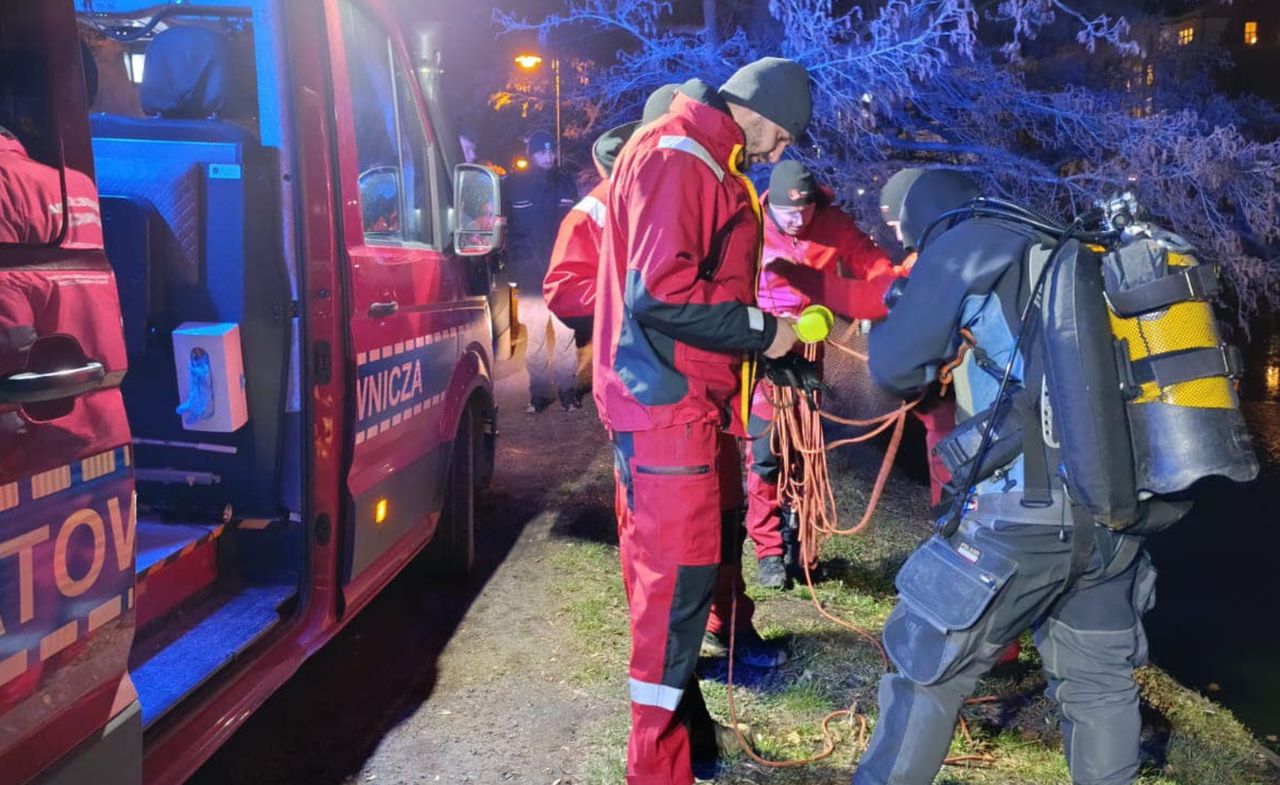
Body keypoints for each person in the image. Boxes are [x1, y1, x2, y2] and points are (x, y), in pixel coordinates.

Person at [852, 168, 1154, 785]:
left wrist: (900, 308)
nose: (903, 242)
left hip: (1021, 519)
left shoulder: (964, 244)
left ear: (923, 214)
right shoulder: (1069, 246)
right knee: (1099, 688)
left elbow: (895, 367)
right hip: (1113, 515)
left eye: (899, 228)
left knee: (925, 674)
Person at [593, 58, 811, 785]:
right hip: (669, 410)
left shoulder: (686, 153)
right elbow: (662, 293)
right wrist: (762, 330)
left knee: (677, 586)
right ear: (754, 108)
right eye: (779, 137)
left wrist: (755, 341)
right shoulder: (683, 158)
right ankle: (656, 770)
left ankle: (690, 741)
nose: (777, 155)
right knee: (676, 591)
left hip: (676, 405)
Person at [744, 160, 902, 587]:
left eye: (804, 212)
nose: (796, 222)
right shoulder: (751, 225)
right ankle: (769, 552)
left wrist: (886, 295)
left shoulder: (833, 225)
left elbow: (873, 263)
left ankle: (800, 547)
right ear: (770, 206)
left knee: (808, 451)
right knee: (765, 453)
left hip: (813, 348)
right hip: (761, 352)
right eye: (787, 213)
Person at [542, 84, 679, 334]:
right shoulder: (598, 208)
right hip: (616, 351)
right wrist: (640, 302)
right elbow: (564, 292)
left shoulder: (696, 198)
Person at [503, 129, 579, 412]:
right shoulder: (514, 185)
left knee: (565, 334)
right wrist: (512, 269)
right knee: (534, 337)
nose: (548, 156)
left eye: (551, 150)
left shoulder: (566, 182)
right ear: (531, 154)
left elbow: (577, 229)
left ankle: (567, 390)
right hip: (530, 275)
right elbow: (508, 230)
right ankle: (537, 393)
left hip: (563, 274)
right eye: (541, 151)